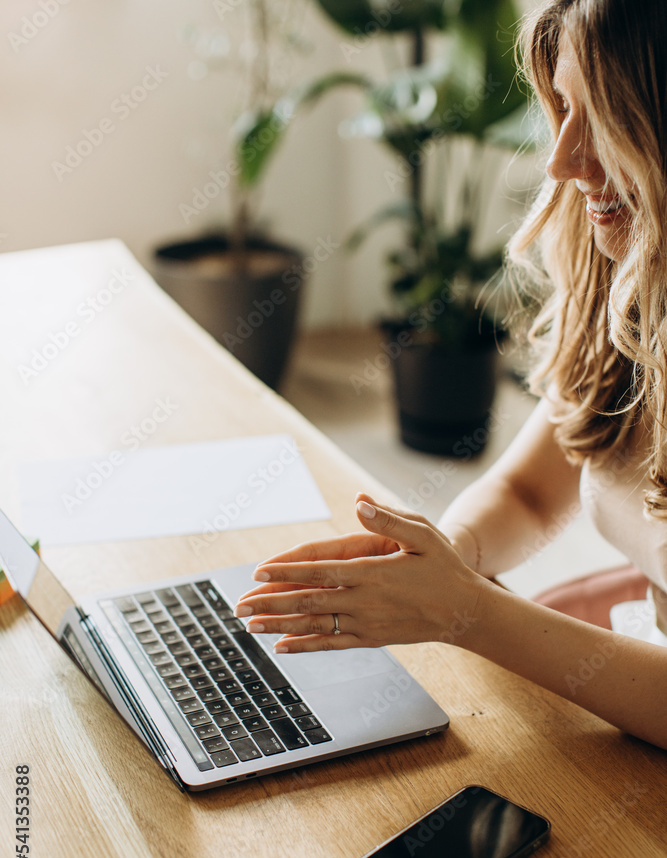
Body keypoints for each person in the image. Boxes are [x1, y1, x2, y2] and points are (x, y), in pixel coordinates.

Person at [234, 0, 667, 751]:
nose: (562, 160)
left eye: (604, 119)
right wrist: (439, 561)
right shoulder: (627, 288)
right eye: (564, 109)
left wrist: (466, 614)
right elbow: (530, 493)